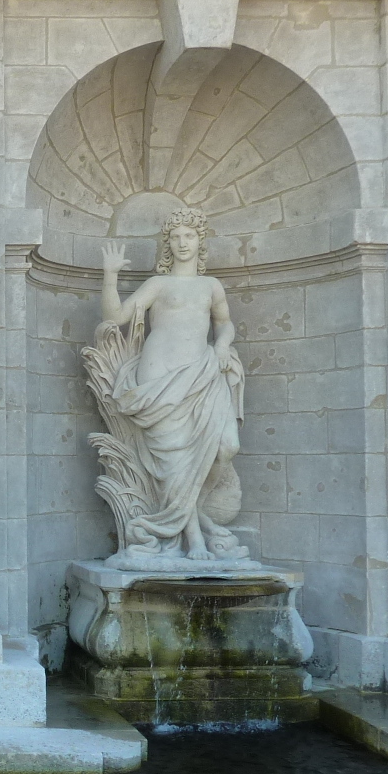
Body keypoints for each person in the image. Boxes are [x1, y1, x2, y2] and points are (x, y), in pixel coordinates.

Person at [96, 208, 245, 561]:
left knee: (227, 446)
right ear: (168, 243)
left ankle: (191, 512)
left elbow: (224, 324)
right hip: (160, 376)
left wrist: (222, 345)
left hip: (202, 372)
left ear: (199, 241)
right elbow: (116, 318)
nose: (182, 243)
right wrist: (109, 277)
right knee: (177, 462)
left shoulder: (211, 286)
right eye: (176, 237)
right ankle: (193, 539)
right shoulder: (158, 284)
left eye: (189, 236)